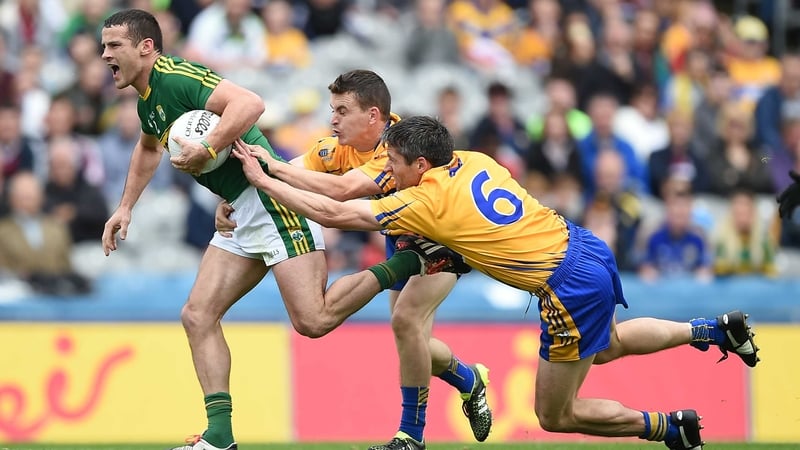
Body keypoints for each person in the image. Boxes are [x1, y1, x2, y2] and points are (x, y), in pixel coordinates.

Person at [233, 115, 761, 450]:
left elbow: (336, 210)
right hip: (584, 248)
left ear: (421, 163)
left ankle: (669, 428)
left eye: (394, 163)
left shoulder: (425, 199)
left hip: (563, 287)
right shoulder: (476, 160)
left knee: (555, 415)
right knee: (610, 345)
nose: (386, 171)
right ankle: (714, 330)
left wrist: (264, 180)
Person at [99, 10, 462, 450]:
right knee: (197, 315)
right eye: (104, 46)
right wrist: (125, 207)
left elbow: (250, 104)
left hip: (271, 203)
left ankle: (407, 261)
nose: (104, 55)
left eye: (114, 46)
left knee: (313, 320)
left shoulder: (176, 77)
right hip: (242, 207)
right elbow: (148, 145)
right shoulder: (148, 100)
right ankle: (219, 437)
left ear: (146, 47)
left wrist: (211, 148)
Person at [215, 69, 493, 449]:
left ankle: (411, 436)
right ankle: (468, 380)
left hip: (441, 240)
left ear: (374, 116)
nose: (333, 119)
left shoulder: (396, 148)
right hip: (401, 239)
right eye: (333, 109)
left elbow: (344, 190)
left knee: (406, 323)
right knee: (413, 340)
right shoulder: (336, 148)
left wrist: (272, 168)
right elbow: (298, 171)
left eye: (343, 111)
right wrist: (235, 200)